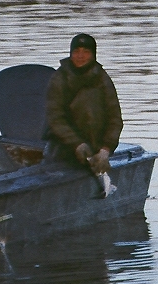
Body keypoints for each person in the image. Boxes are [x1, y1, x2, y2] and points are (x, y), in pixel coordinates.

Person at [44, 33, 123, 177]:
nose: (80, 56)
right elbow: (55, 118)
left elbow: (115, 118)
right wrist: (77, 144)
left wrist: (106, 149)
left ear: (93, 55)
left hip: (96, 150)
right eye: (76, 51)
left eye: (86, 52)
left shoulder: (102, 78)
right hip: (63, 150)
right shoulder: (59, 78)